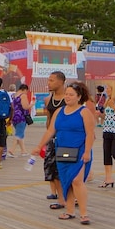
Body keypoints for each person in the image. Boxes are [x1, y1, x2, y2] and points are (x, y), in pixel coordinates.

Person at [36, 81, 95, 225]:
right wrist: (39, 146)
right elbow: (51, 130)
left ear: (79, 97)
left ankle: (84, 213)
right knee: (66, 181)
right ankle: (69, 211)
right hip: (62, 151)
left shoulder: (84, 112)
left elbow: (90, 134)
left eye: (71, 95)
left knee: (77, 181)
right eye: (66, 94)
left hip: (80, 150)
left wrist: (87, 152)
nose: (67, 97)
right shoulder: (59, 111)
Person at [42, 71, 66, 202]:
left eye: (52, 80)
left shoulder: (68, 98)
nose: (48, 83)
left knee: (66, 168)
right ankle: (61, 199)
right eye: (48, 80)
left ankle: (72, 196)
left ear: (61, 81)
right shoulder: (48, 99)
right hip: (53, 138)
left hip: (66, 138)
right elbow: (48, 120)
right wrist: (47, 139)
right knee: (52, 168)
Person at [11, 84, 32, 156]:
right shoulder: (23, 96)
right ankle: (12, 150)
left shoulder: (15, 95)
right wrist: (32, 104)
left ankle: (23, 151)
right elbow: (25, 107)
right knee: (18, 134)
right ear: (25, 89)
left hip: (14, 116)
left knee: (20, 133)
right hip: (21, 117)